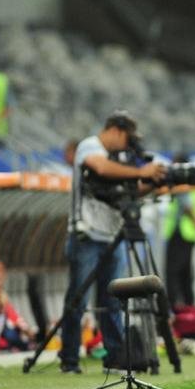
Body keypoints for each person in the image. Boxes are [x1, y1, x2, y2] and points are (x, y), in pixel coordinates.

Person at [59, 111, 165, 374]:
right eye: (127, 138)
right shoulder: (90, 147)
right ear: (116, 130)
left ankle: (116, 357)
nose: (128, 146)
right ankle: (69, 359)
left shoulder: (120, 160)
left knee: (114, 301)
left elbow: (129, 191)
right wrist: (141, 170)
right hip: (86, 234)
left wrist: (152, 182)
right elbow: (100, 168)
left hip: (112, 236)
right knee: (78, 299)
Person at [163, 152, 195, 309]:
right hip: (191, 233)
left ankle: (173, 306)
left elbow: (186, 205)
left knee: (174, 272)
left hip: (181, 231)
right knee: (186, 272)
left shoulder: (181, 183)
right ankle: (189, 304)